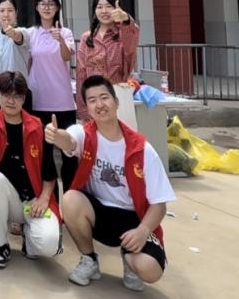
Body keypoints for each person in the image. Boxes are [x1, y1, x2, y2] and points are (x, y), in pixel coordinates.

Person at [46, 75, 174, 291]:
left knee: (150, 270)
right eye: (92, 100)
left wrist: (143, 231)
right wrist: (56, 136)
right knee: (70, 199)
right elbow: (69, 141)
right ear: (87, 108)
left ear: (116, 102)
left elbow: (159, 205)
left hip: (133, 219)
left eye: (104, 97)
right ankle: (89, 259)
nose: (99, 104)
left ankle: (130, 262)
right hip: (98, 213)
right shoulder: (84, 134)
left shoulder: (142, 149)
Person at [0, 71, 60, 269]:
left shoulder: (38, 127)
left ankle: (28, 238)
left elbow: (49, 171)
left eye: (16, 96)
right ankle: (1, 245)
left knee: (48, 245)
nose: (11, 101)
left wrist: (44, 198)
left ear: (24, 98)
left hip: (33, 201)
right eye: (6, 95)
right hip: (8, 201)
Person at [6, 0, 77, 189]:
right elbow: (20, 39)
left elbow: (66, 56)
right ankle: (47, 197)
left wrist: (60, 40)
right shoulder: (32, 33)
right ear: (36, 7)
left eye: (51, 4)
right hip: (39, 101)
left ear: (57, 8)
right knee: (43, 154)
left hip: (63, 102)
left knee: (68, 153)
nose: (47, 8)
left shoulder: (65, 32)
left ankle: (71, 195)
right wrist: (12, 32)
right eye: (43, 4)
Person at [76, 0, 139, 122]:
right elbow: (81, 75)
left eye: (108, 6)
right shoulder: (87, 38)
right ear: (94, 10)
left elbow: (132, 39)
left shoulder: (124, 35)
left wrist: (126, 19)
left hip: (118, 98)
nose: (104, 11)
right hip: (93, 100)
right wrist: (82, 109)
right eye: (99, 7)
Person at [0, 0, 30, 113]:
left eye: (10, 10)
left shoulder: (23, 32)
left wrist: (13, 33)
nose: (6, 14)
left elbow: (19, 38)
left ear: (16, 12)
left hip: (17, 96)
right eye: (2, 11)